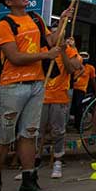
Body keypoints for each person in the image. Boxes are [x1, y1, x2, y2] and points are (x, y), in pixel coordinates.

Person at [0, 0, 65, 191]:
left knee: (29, 133)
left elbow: (52, 41)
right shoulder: (4, 25)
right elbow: (15, 57)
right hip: (13, 85)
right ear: (8, 2)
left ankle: (29, 181)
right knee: (4, 136)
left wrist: (64, 21)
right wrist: (45, 57)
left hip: (37, 84)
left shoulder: (36, 19)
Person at [40, 32, 81, 179]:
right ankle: (33, 162)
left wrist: (63, 51)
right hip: (41, 97)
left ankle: (58, 160)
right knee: (37, 131)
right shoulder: (43, 49)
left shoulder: (69, 50)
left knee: (58, 130)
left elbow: (72, 69)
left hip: (59, 96)